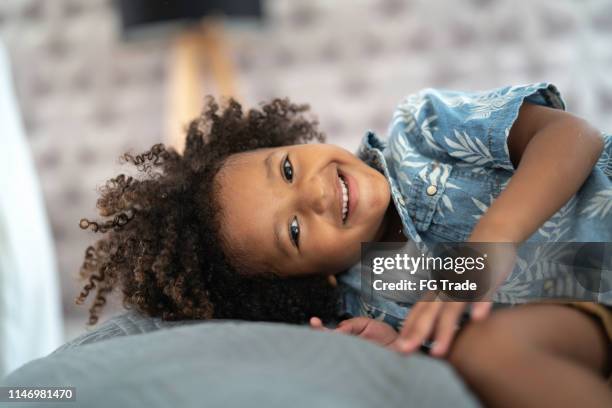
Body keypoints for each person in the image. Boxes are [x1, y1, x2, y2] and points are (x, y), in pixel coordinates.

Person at [76, 83, 611, 407]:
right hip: (584, 317)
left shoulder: (421, 132)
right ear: (312, 278)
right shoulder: (369, 295)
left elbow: (573, 136)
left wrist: (491, 244)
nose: (311, 193)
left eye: (286, 168)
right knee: (490, 356)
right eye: (292, 232)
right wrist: (403, 355)